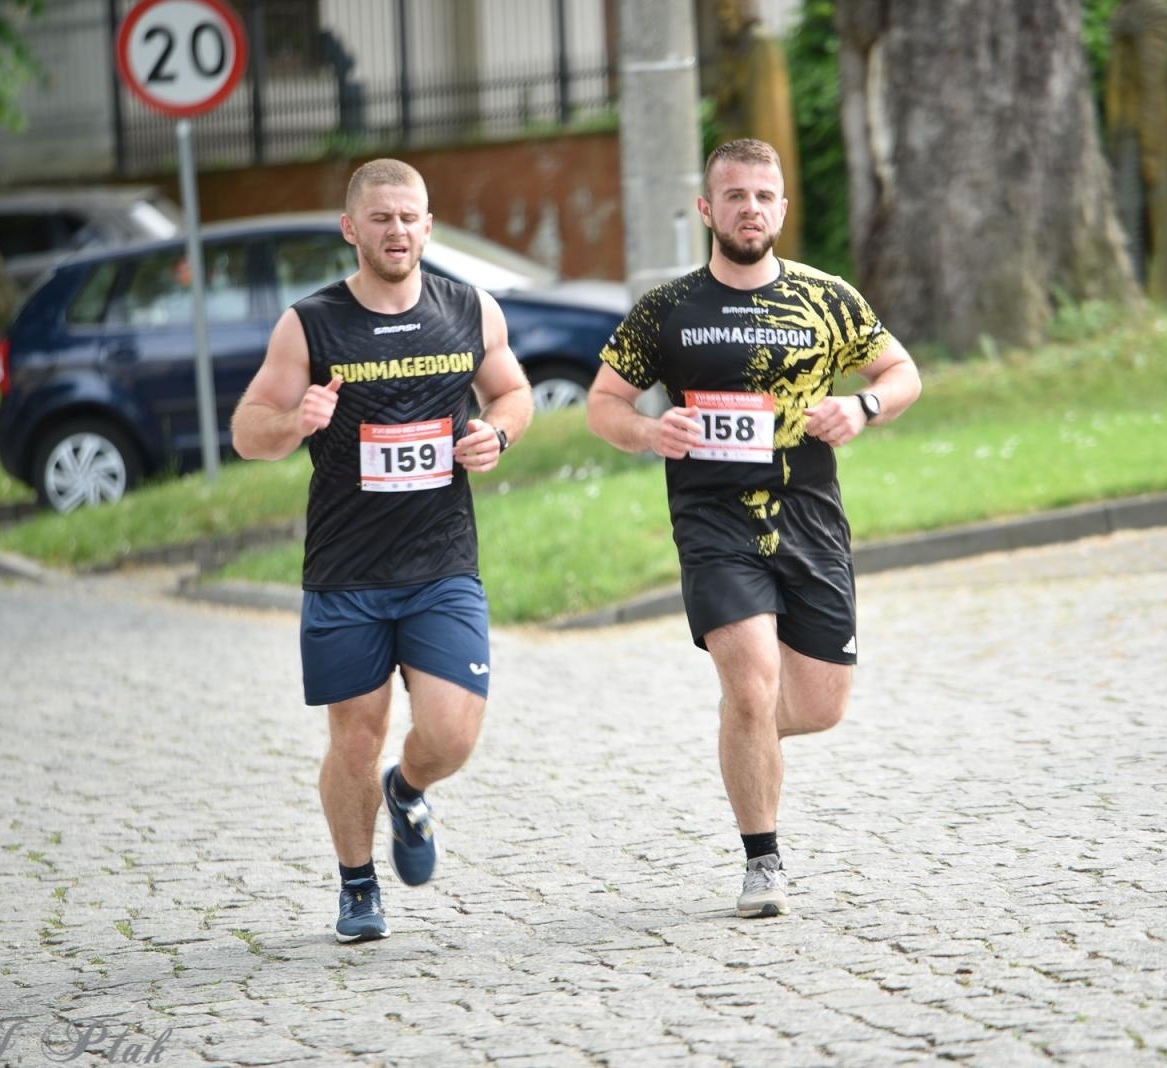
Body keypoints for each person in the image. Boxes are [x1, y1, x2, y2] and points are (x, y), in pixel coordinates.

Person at [586, 138, 922, 917]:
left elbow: (901, 372)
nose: (750, 210)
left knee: (821, 703)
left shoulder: (827, 297)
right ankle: (762, 861)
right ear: (708, 209)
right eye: (734, 196)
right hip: (713, 519)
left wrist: (864, 407)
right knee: (750, 683)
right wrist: (647, 432)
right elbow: (604, 402)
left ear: (781, 206)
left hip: (809, 514)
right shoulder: (667, 310)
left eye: (763, 196)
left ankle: (743, 733)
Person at [231, 159, 533, 943]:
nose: (397, 231)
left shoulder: (469, 309)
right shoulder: (311, 324)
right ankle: (358, 885)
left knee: (453, 732)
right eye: (381, 218)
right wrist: (296, 420)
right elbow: (246, 429)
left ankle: (409, 788)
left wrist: (496, 433)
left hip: (441, 564)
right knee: (355, 735)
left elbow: (514, 391)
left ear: (428, 226)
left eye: (410, 218)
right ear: (350, 228)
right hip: (346, 571)